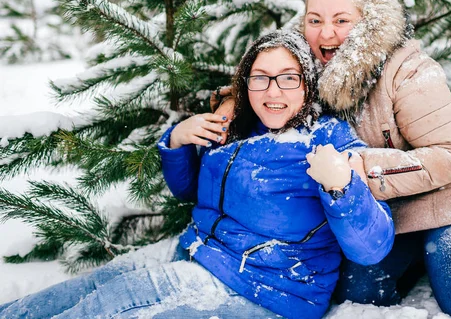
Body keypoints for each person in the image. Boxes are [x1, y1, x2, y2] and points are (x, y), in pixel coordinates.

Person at [214, 0, 451, 319]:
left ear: (366, 22)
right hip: (393, 205)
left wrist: (357, 168)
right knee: (357, 293)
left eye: (341, 20)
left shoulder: (409, 71)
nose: (326, 33)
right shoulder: (308, 66)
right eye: (314, 20)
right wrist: (235, 101)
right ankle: (425, 254)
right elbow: (273, 84)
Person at [0, 30, 395, 319]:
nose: (273, 92)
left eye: (288, 78)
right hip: (196, 251)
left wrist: (341, 186)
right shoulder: (238, 125)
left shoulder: (330, 140)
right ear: (246, 83)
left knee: (115, 301)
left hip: (271, 290)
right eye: (260, 78)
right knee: (94, 283)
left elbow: (371, 249)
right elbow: (192, 192)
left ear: (307, 84)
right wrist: (177, 142)